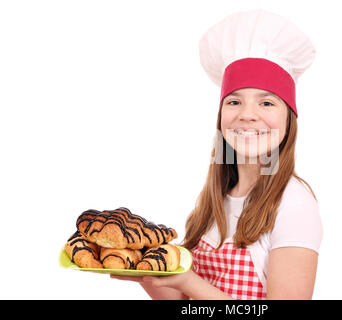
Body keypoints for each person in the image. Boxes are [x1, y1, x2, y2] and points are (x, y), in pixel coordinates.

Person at [111, 9, 323, 300]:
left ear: (289, 121)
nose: (248, 115)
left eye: (267, 103)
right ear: (221, 116)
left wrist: (189, 283)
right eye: (234, 101)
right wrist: (146, 272)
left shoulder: (293, 203)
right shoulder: (217, 196)